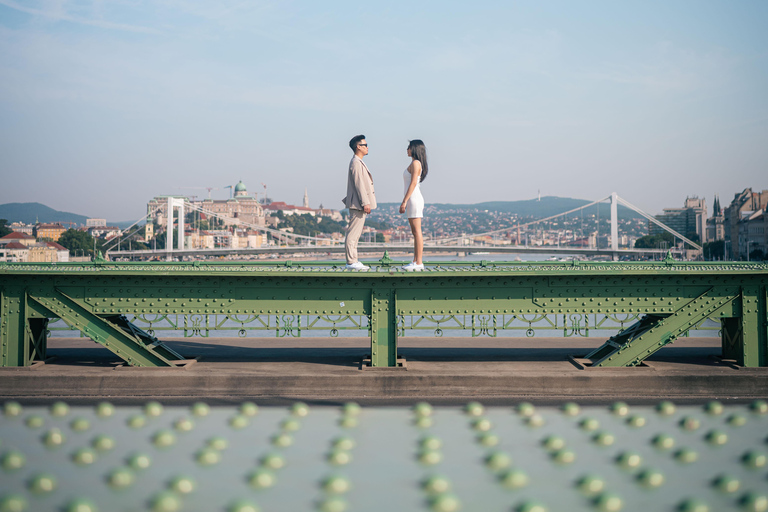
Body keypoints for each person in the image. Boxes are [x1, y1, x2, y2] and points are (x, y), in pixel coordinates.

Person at [342, 134, 377, 270]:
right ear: (358, 147)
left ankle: (353, 260)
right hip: (358, 204)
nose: (367, 147)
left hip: (358, 203)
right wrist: (365, 203)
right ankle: (351, 261)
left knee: (355, 234)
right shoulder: (356, 162)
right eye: (365, 145)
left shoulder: (357, 162)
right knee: (353, 234)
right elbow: (359, 184)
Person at [399, 139, 428, 271]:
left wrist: (404, 201)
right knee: (415, 232)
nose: (407, 150)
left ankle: (419, 262)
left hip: (414, 199)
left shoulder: (416, 163)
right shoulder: (414, 163)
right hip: (412, 199)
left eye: (409, 147)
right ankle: (415, 261)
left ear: (415, 149)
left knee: (417, 232)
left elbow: (413, 183)